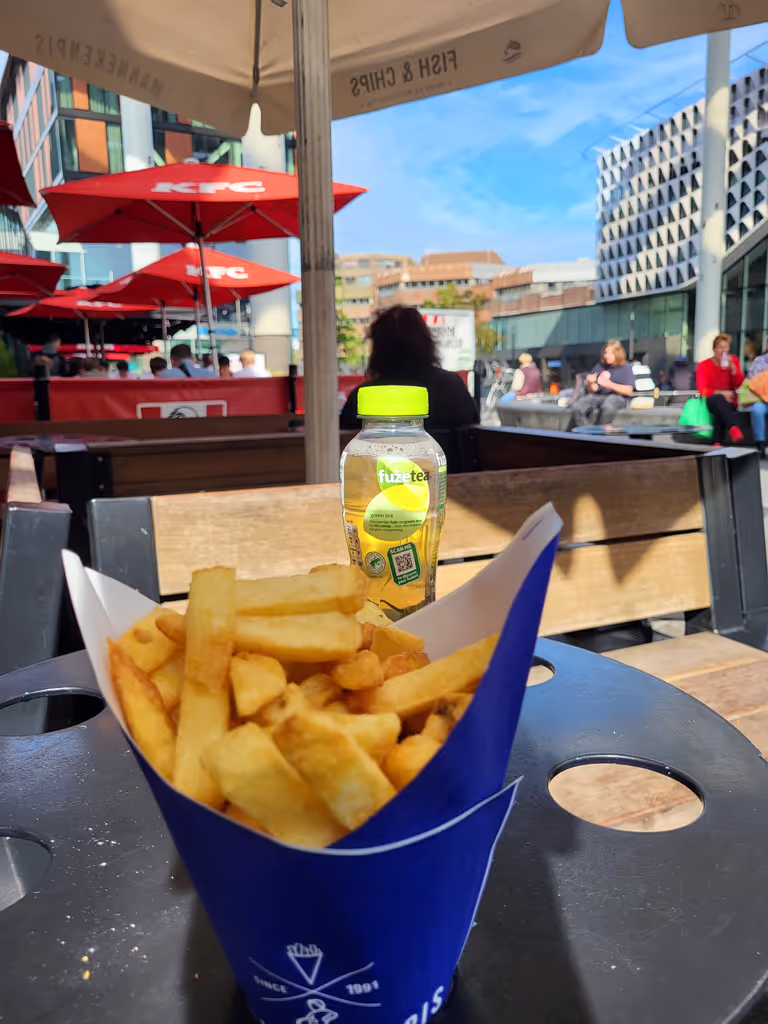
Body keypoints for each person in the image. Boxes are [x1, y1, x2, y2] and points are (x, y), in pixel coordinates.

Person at [340, 304, 479, 432]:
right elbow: (474, 432)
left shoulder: (363, 398)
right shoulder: (452, 387)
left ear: (378, 348)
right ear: (425, 342)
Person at [566, 340, 635, 430]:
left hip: (618, 397)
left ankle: (599, 432)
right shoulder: (600, 366)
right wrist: (591, 383)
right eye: (605, 353)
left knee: (608, 407)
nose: (606, 356)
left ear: (617, 354)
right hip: (599, 395)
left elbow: (628, 390)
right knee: (578, 407)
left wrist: (609, 384)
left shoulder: (626, 367)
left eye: (610, 353)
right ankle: (586, 433)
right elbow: (593, 389)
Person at [695, 333, 745, 446]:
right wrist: (721, 393)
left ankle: (717, 442)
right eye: (720, 347)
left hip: (729, 401)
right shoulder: (703, 365)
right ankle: (732, 427)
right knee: (719, 399)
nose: (723, 350)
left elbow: (739, 384)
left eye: (725, 347)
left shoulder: (733, 361)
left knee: (721, 408)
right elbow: (702, 389)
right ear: (714, 349)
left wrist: (734, 370)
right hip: (711, 400)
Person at [746, 346, 768, 457]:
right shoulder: (759, 361)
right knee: (757, 410)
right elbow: (751, 381)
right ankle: (760, 444)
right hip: (760, 399)